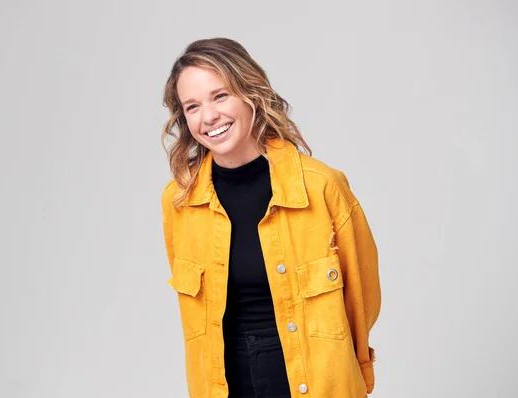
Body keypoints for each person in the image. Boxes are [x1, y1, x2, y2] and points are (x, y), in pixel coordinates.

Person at [160, 37, 381, 398]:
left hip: (317, 385)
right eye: (192, 106)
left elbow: (363, 299)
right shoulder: (180, 201)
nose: (209, 116)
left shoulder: (321, 187)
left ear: (251, 94)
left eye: (220, 96)